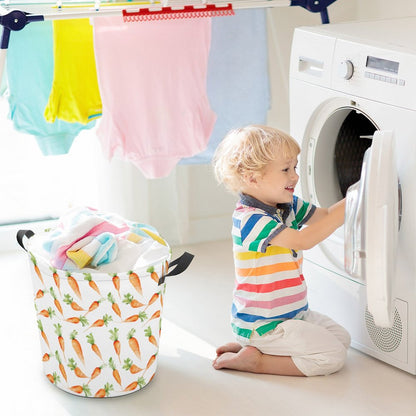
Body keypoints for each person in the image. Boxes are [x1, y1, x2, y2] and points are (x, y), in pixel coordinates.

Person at [212, 125, 350, 377]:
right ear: (252, 178)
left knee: (343, 339)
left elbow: (325, 216)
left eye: (294, 167)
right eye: (286, 169)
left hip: (294, 314)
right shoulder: (250, 219)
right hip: (264, 324)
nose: (295, 176)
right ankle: (256, 360)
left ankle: (254, 348)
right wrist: (353, 201)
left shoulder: (286, 205)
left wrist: (357, 195)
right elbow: (302, 240)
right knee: (332, 356)